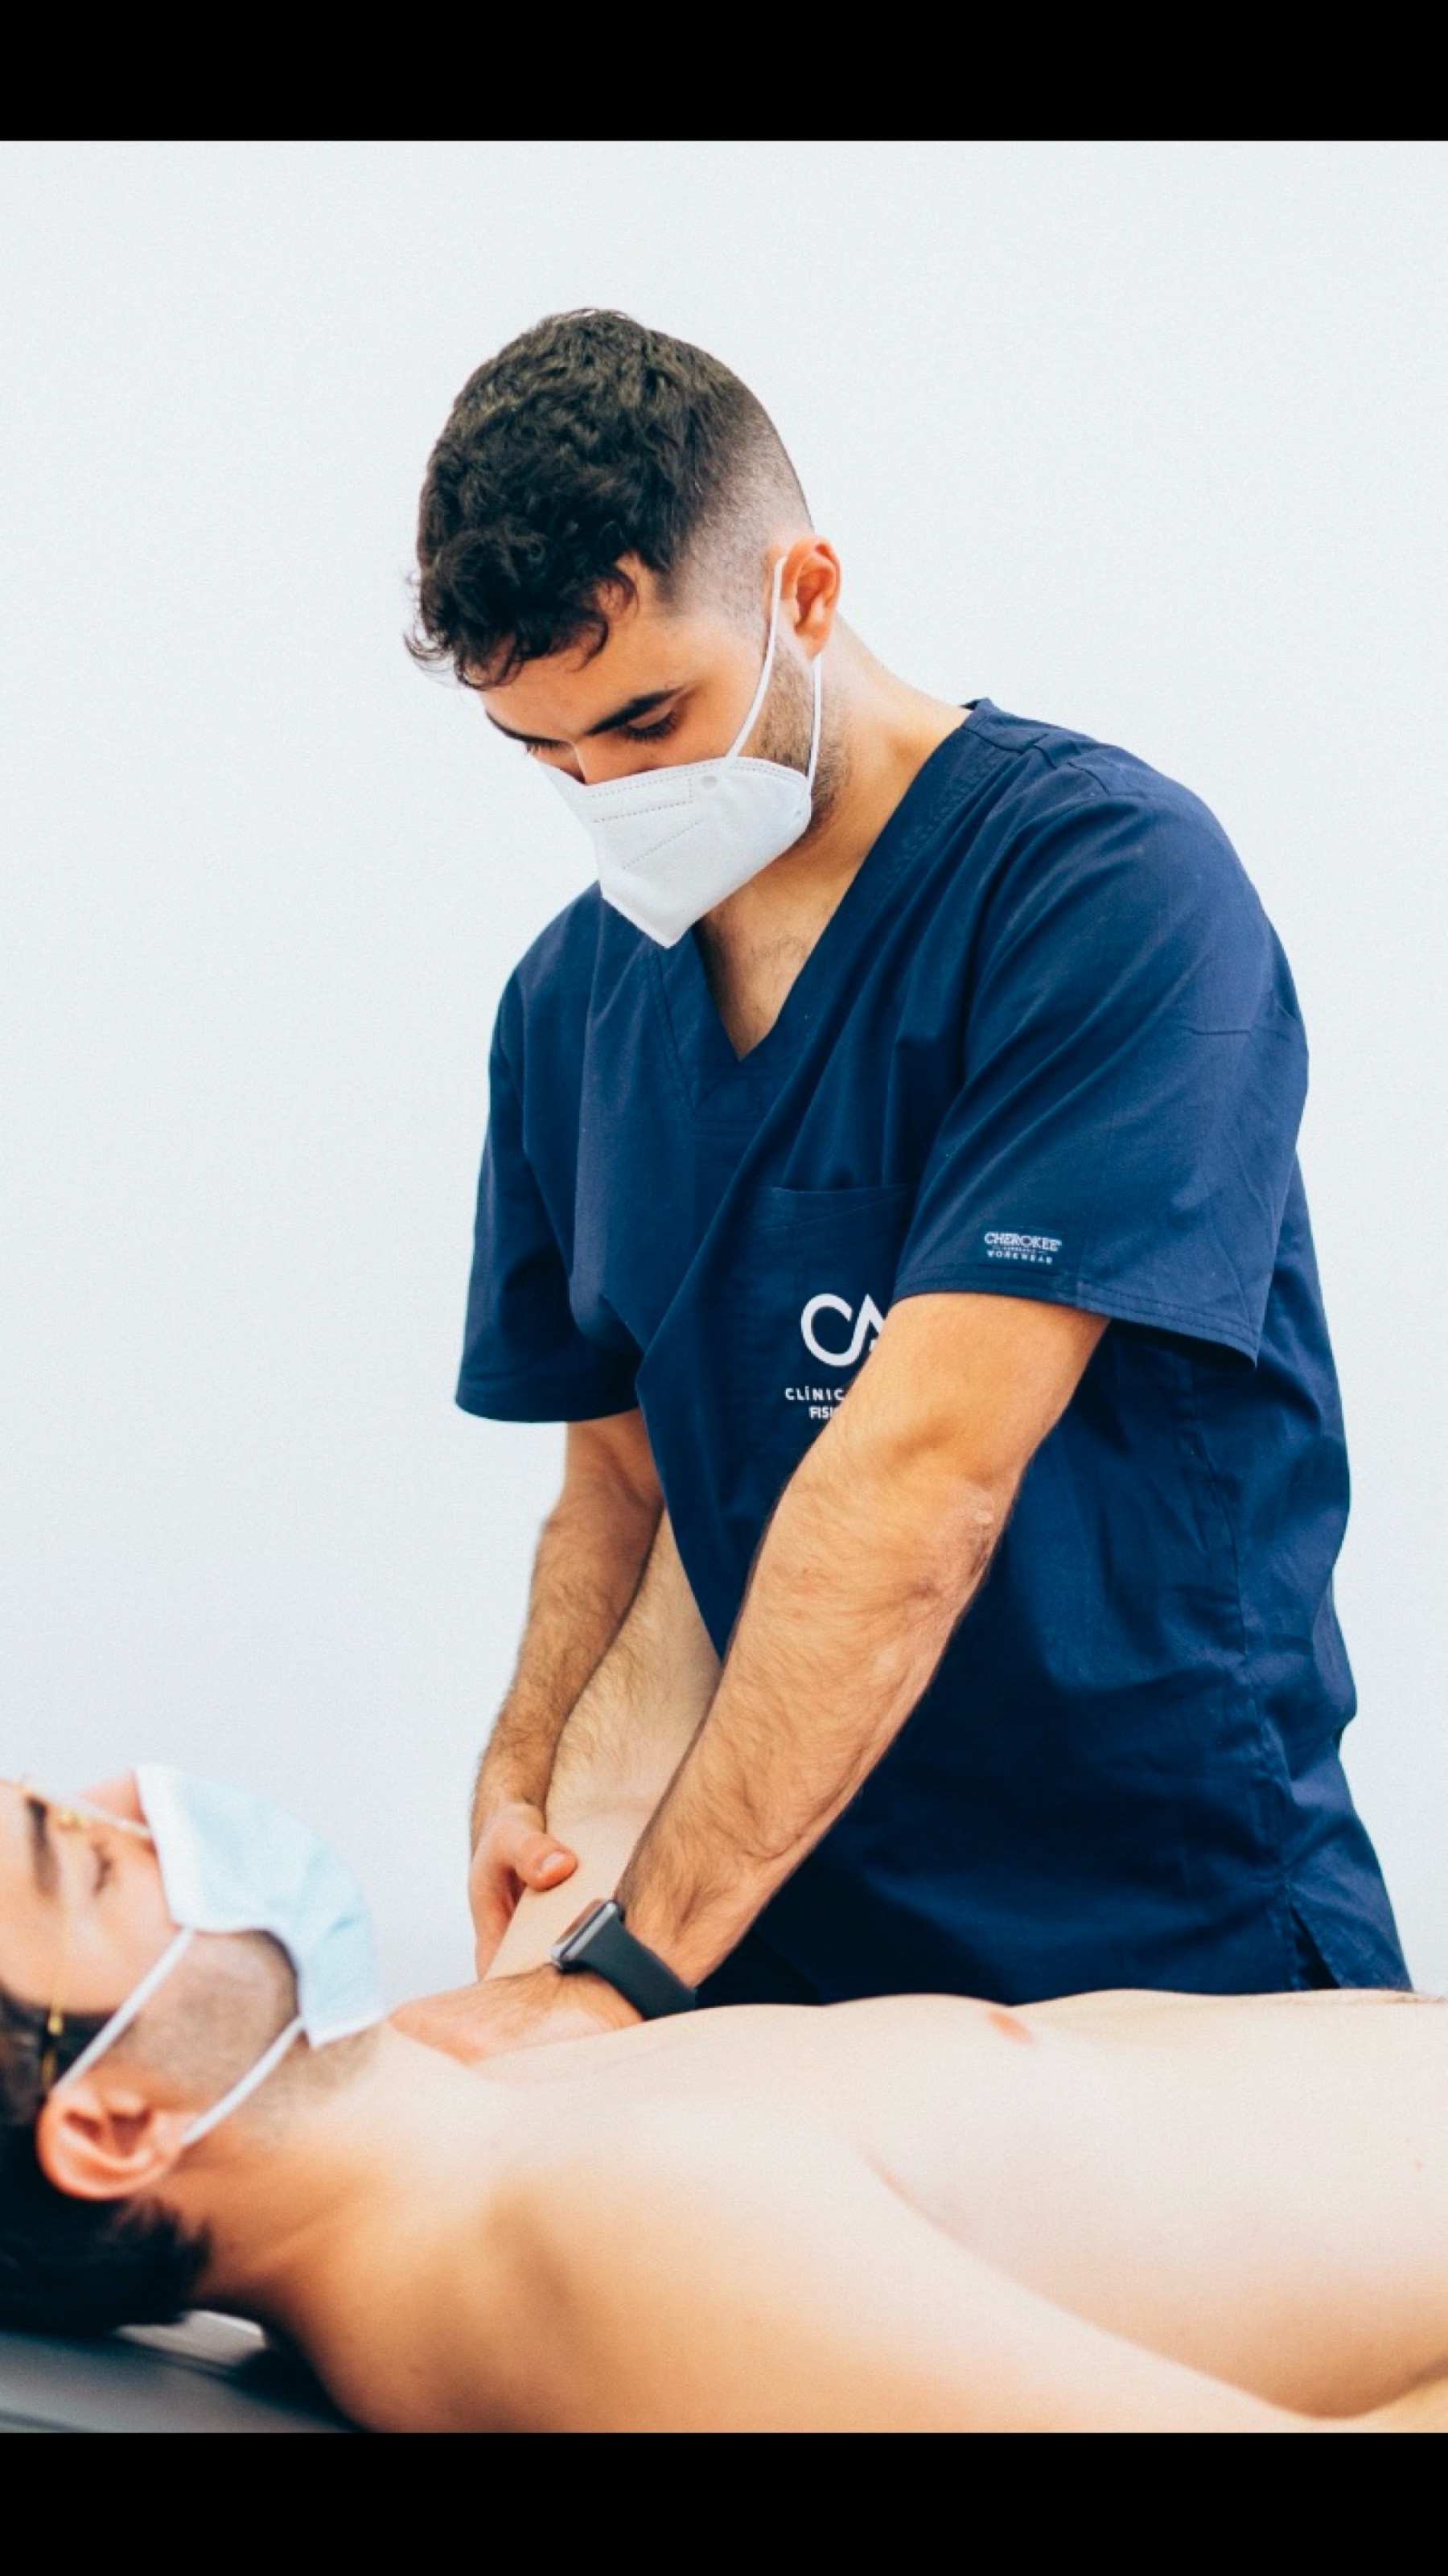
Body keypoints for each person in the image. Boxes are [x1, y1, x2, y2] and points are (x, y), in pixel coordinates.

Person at [404, 308, 1403, 2060]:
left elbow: (926, 1473)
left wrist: (624, 1978)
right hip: (775, 1978)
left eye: (647, 718)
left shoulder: (1101, 891)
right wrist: (532, 1780)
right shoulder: (571, 1008)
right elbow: (623, 1484)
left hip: (1165, 1961)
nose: (609, 792)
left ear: (803, 591)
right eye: (548, 754)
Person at [1, 1769, 1442, 2435]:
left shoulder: (476, 2133)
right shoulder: (605, 2233)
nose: (138, 1799)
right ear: (119, 2124)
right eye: (93, 1859)